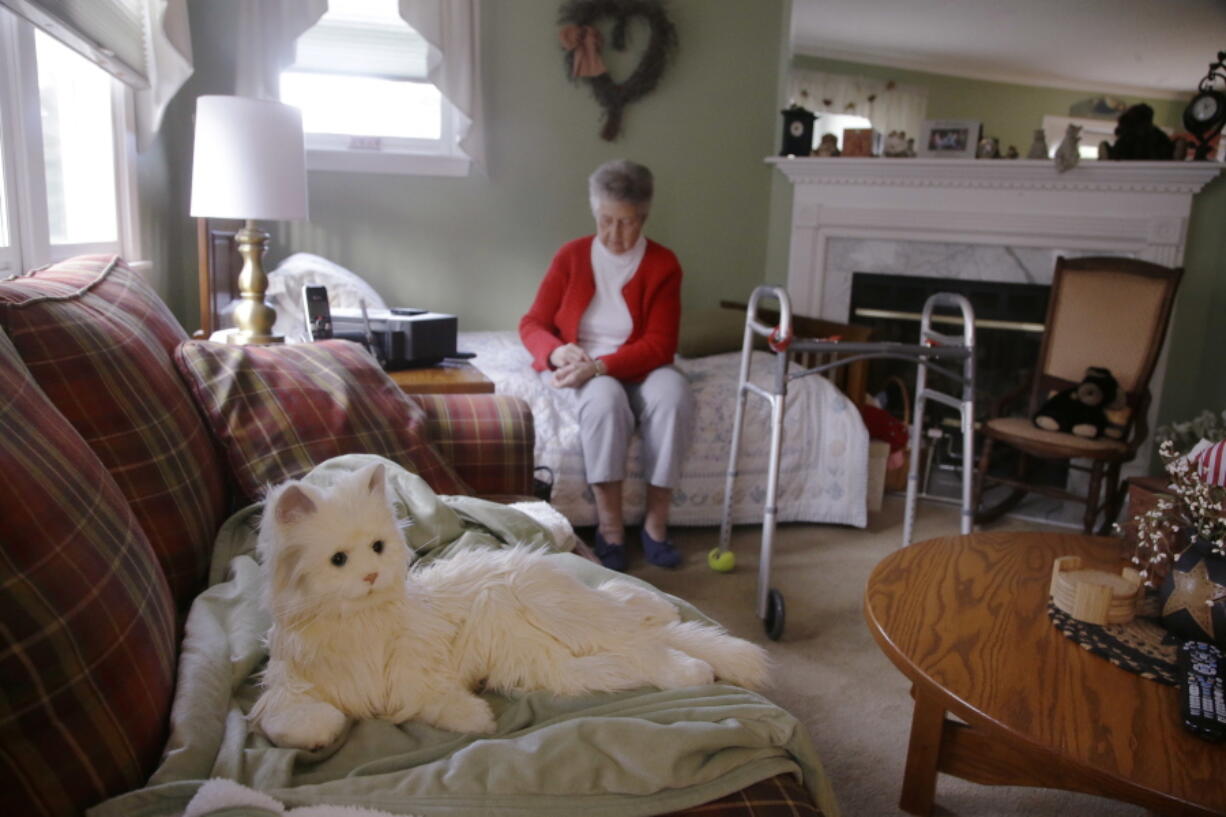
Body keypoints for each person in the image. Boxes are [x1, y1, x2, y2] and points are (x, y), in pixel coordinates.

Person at [519, 159, 694, 572]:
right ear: (595, 212)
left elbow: (661, 346)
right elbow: (532, 324)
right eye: (606, 220)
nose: (615, 234)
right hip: (587, 366)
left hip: (639, 364)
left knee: (674, 396)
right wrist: (556, 352)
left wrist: (599, 365)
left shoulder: (663, 264)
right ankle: (610, 528)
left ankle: (656, 524)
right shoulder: (572, 256)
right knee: (605, 402)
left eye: (627, 222)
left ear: (644, 217)